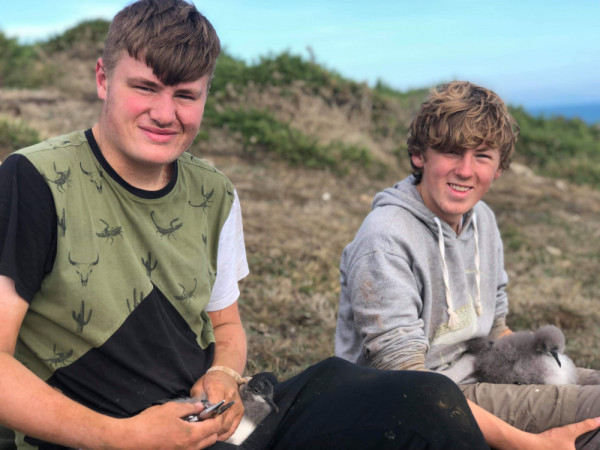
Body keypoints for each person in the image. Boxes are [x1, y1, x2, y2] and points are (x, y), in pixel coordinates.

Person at [0, 2, 491, 449]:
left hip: (218, 423)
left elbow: (225, 325)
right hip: (98, 432)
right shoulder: (34, 181)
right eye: (145, 88)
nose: (165, 113)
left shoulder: (214, 193)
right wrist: (121, 436)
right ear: (104, 79)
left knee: (426, 401)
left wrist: (221, 374)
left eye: (185, 95)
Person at [335, 80, 600, 448]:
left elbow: (496, 328)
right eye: (451, 152)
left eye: (482, 156)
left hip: (482, 372)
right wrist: (528, 443)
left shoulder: (483, 220)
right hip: (415, 406)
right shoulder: (385, 239)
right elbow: (407, 381)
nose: (464, 170)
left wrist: (538, 371)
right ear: (419, 155)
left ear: (499, 168)